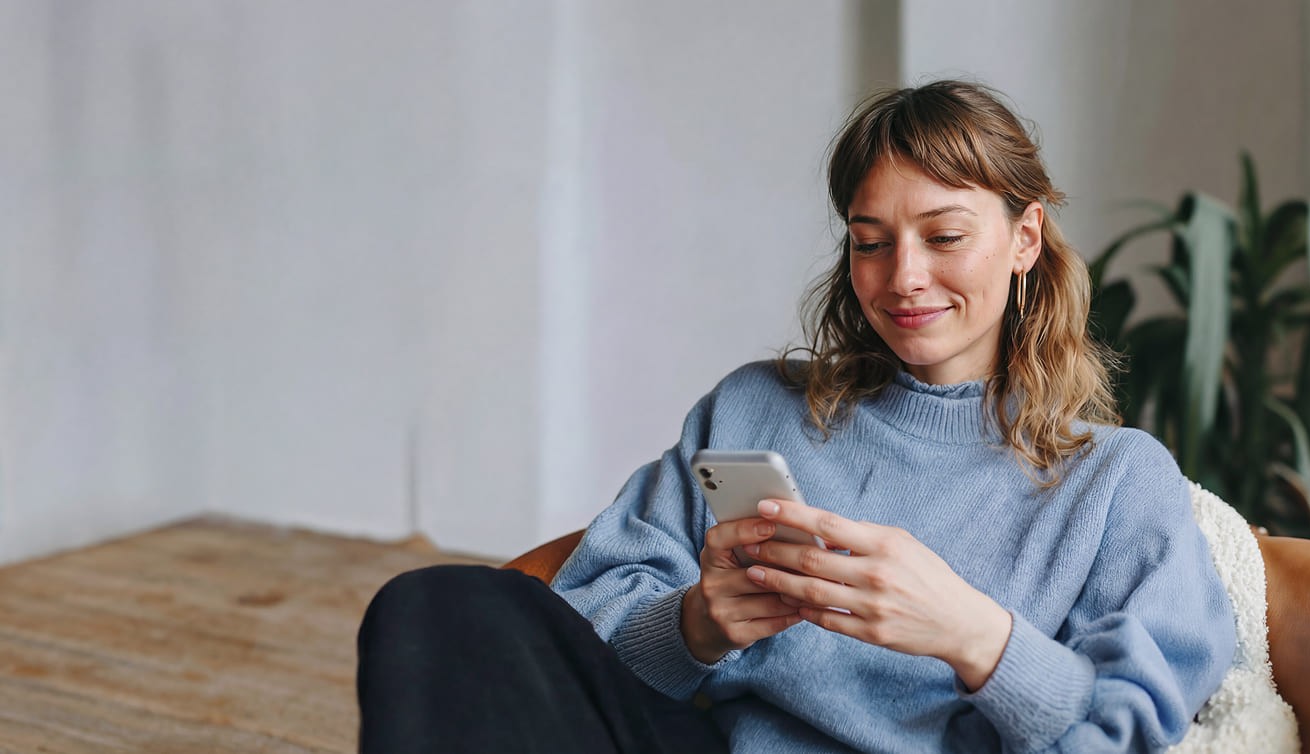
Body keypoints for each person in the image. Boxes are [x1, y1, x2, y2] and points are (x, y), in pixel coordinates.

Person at [356, 80, 1235, 753]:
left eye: (945, 235)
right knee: (434, 604)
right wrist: (699, 623)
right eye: (870, 240)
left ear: (1026, 239)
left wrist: (972, 635)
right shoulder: (755, 406)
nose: (904, 278)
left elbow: (1129, 726)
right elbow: (582, 621)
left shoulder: (1116, 478)